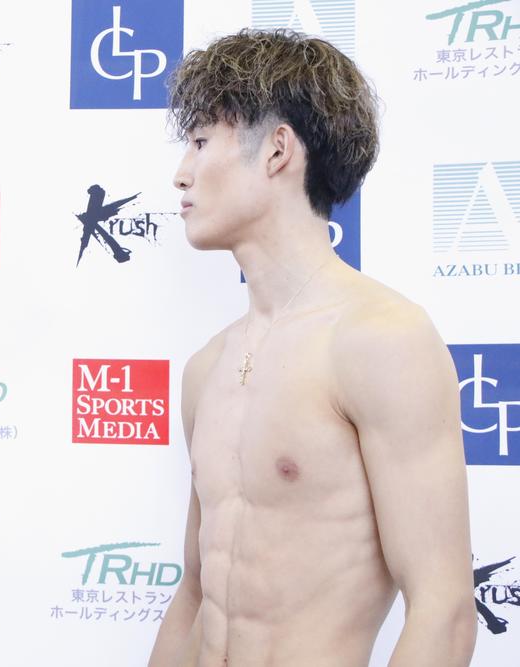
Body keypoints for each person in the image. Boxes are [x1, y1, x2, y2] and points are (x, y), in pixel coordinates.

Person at [148, 29, 475, 666]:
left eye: (201, 142)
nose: (181, 174)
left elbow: (443, 609)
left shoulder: (381, 339)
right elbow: (194, 592)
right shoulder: (206, 368)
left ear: (278, 150)